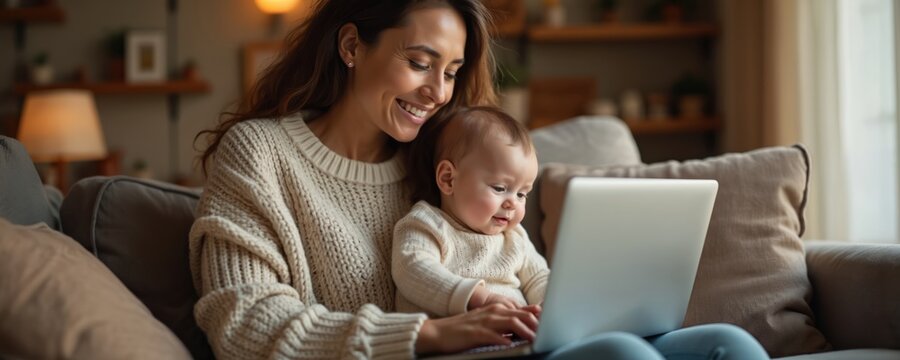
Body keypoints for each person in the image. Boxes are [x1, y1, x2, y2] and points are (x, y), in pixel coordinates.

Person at [190, 0, 772, 359]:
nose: (437, 92)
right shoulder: (260, 154)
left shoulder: (448, 164)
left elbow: (520, 265)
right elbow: (245, 326)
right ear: (351, 46)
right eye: (418, 63)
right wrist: (433, 334)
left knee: (730, 345)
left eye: (450, 72)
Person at [393, 106, 549, 318]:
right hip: (453, 341)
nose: (513, 203)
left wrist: (548, 306)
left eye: (522, 194)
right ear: (448, 179)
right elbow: (412, 269)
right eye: (500, 188)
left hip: (514, 337)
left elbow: (539, 277)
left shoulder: (515, 237)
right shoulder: (426, 224)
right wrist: (477, 298)